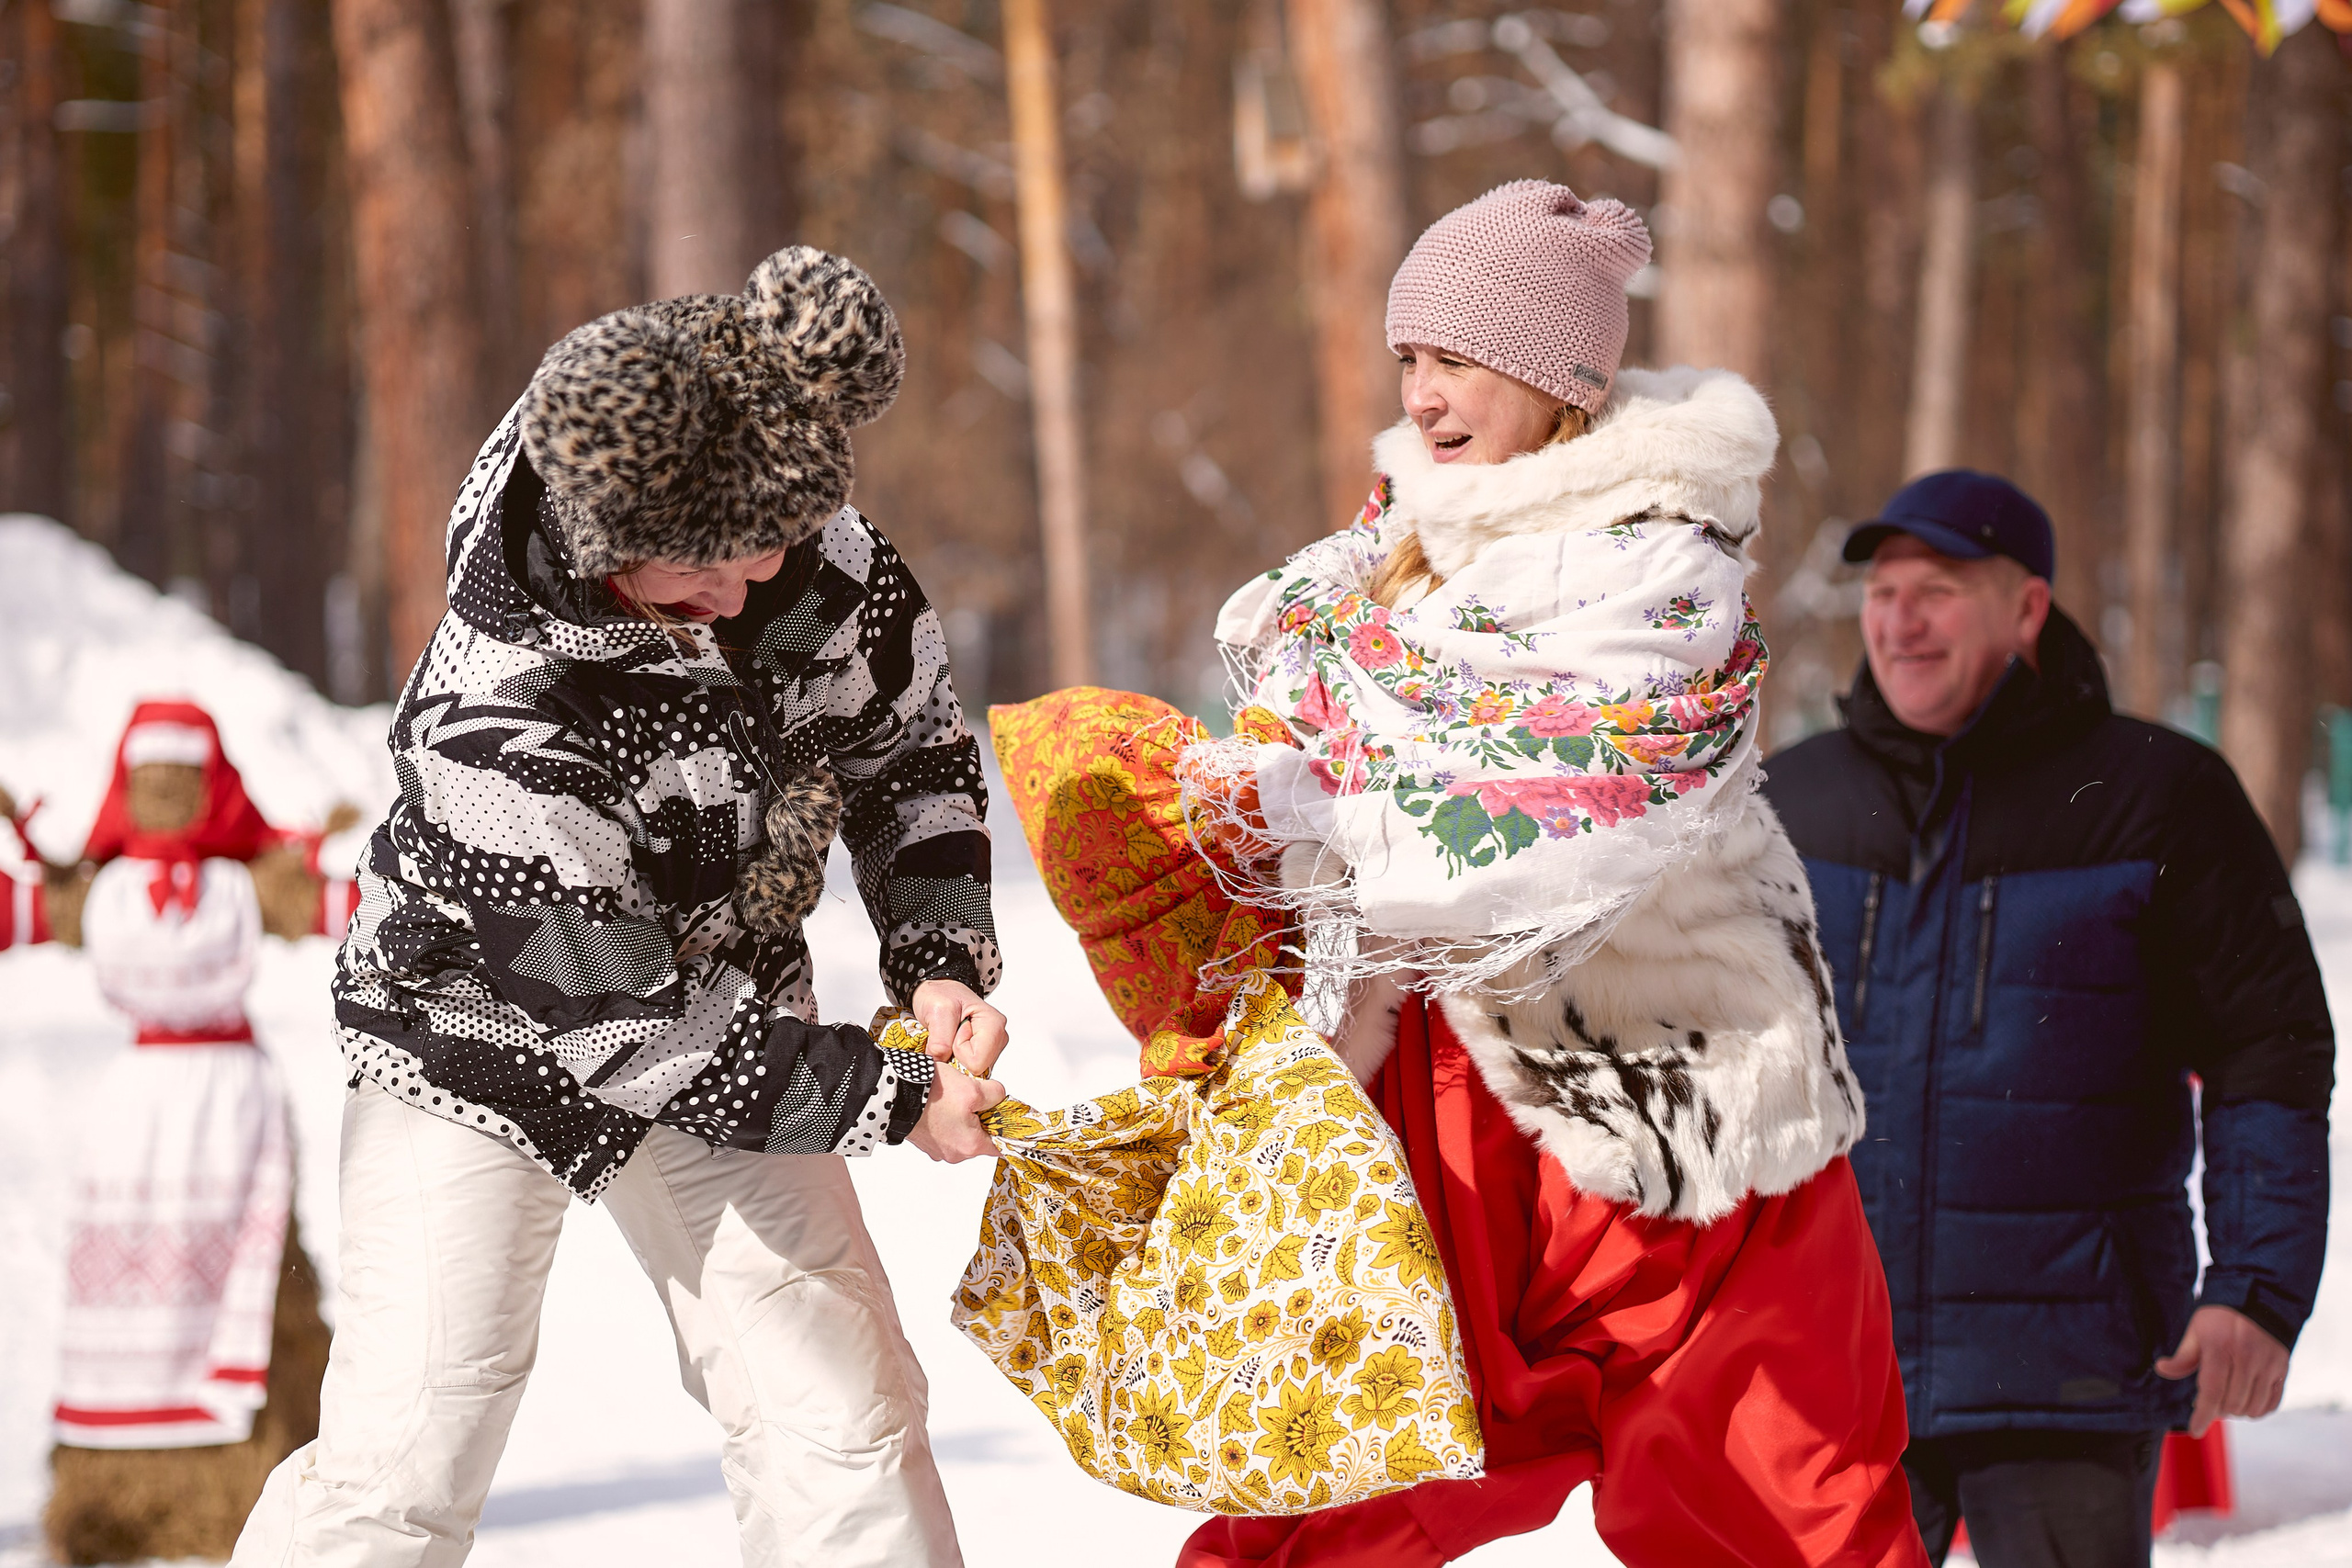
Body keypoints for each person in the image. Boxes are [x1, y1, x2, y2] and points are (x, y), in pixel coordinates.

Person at [1176, 181, 1925, 1567]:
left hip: (1673, 1083)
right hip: (1438, 1087)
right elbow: (1318, 708)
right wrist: (1262, 796)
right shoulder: (1380, 553)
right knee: (1351, 1456)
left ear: (1554, 374)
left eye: (1457, 358)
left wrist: (1313, 767)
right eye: (1412, 359)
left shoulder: (1665, 563)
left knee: (1778, 1487)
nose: (1427, 393)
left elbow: (1552, 788)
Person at [231, 247, 1007, 1568]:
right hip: (470, 1030)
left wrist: (934, 957)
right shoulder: (494, 720)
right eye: (699, 572)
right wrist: (890, 1090)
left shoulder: (800, 531)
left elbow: (909, 745)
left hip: (732, 1006)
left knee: (842, 1409)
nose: (749, 590)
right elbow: (627, 1032)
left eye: (770, 548)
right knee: (409, 1448)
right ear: (604, 552)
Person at [1763, 470, 2335, 1568]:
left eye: (1938, 588)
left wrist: (2257, 1288)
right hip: (1830, 1364)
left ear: (2026, 610)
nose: (1899, 618)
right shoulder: (1793, 801)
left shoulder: (2156, 795)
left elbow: (2267, 1047)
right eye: (1883, 590)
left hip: (2066, 1371)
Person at [42, 700, 333, 1564]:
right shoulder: (131, 888)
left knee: (241, 1276)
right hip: (184, 1095)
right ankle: (139, 1486)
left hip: (182, 1099)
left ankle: (249, 1474)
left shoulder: (124, 890)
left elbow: (339, 904)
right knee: (163, 1280)